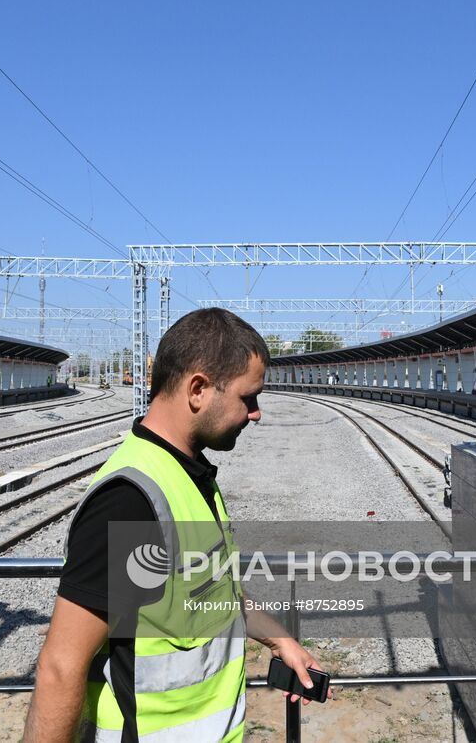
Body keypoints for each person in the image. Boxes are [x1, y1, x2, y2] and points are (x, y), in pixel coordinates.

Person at [24, 308, 326, 743]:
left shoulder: (190, 477)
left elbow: (214, 593)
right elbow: (60, 667)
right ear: (199, 389)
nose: (256, 413)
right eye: (248, 398)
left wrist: (280, 641)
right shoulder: (130, 501)